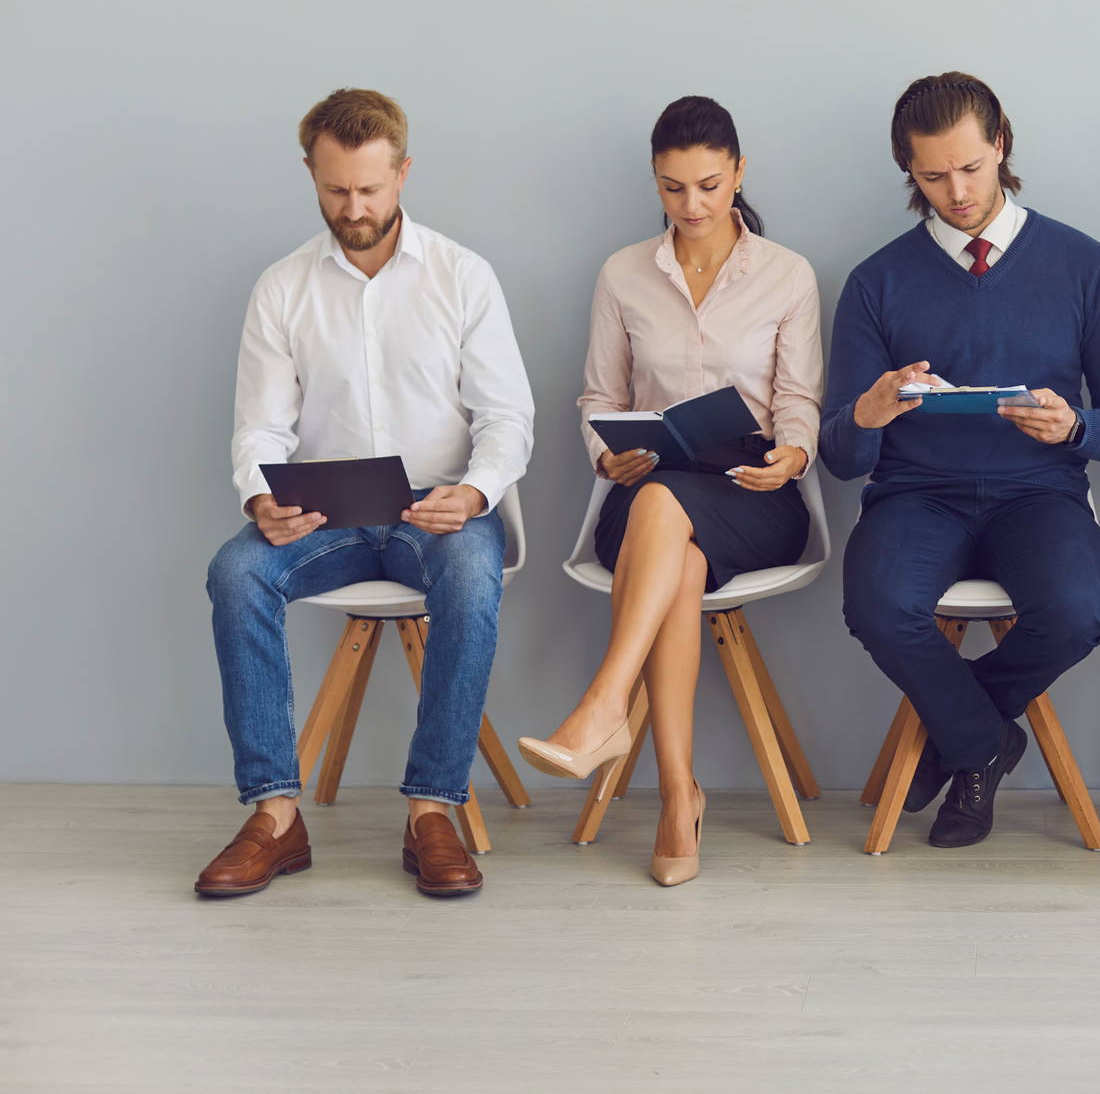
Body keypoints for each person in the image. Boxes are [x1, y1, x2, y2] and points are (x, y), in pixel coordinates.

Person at [198, 88, 535, 898]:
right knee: (234, 572)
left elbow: (508, 417)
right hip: (327, 510)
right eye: (336, 190)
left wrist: (477, 493)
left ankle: (431, 812)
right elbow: (259, 429)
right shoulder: (281, 289)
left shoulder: (463, 275)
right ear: (312, 175)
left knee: (467, 575)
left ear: (403, 172)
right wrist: (258, 498)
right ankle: (275, 814)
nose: (355, 208)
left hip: (438, 506)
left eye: (371, 190)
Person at [822, 71, 1100, 849]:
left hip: (1039, 493)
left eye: (971, 167)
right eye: (933, 175)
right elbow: (840, 454)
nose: (958, 191)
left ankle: (957, 736)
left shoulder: (1084, 264)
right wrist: (870, 409)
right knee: (876, 604)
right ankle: (984, 744)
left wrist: (1075, 428)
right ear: (908, 170)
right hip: (915, 496)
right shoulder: (877, 282)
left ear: (1001, 144)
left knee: (1077, 611)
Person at [517, 96, 821, 887]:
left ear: (739, 173)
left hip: (753, 490)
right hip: (648, 485)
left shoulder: (788, 274)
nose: (693, 206)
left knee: (672, 518)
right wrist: (603, 452)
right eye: (674, 188)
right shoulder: (623, 273)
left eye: (711, 186)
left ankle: (603, 708)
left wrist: (791, 456)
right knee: (671, 541)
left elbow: (799, 401)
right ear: (655, 182)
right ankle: (677, 795)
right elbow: (596, 397)